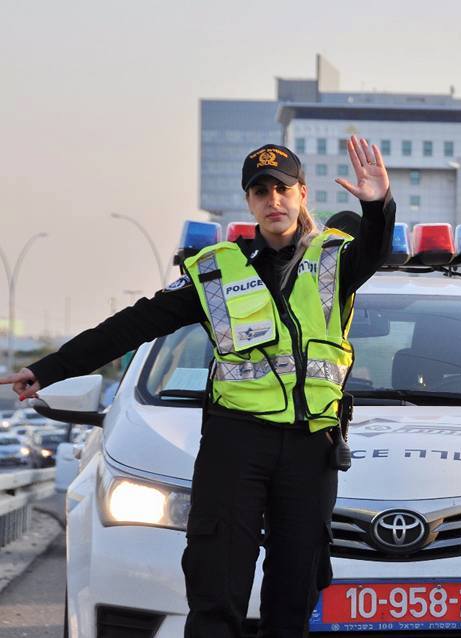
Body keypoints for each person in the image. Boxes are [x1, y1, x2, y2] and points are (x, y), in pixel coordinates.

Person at [0, 136, 395, 638]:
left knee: (293, 594)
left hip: (309, 448)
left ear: (302, 194)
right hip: (236, 444)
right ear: (249, 202)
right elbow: (132, 325)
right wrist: (51, 369)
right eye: (261, 191)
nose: (273, 200)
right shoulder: (214, 271)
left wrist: (377, 204)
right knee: (216, 588)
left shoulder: (337, 261)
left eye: (283, 188)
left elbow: (377, 250)